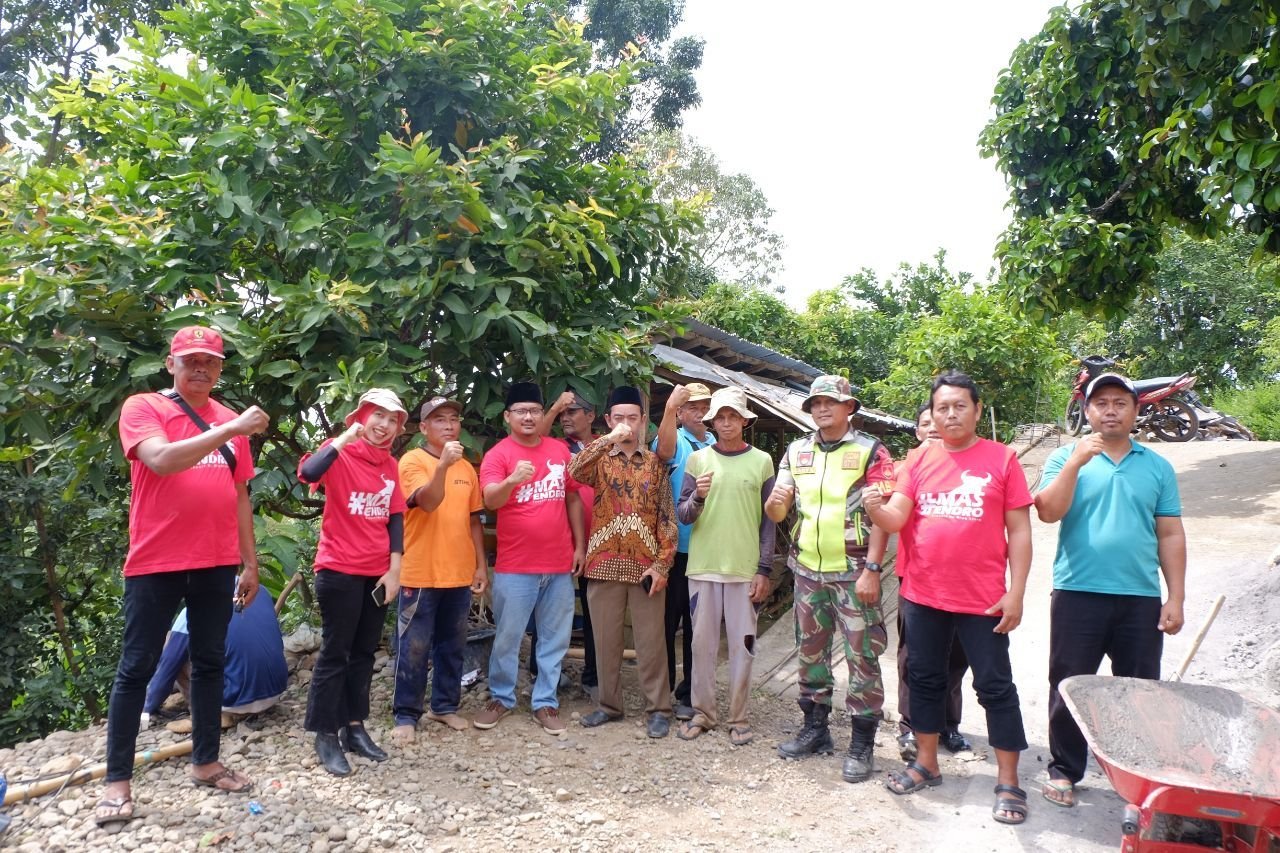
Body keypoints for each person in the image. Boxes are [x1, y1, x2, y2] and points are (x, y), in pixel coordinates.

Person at [98, 326, 268, 827]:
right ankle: (117, 781)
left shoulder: (226, 418)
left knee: (211, 661)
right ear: (170, 363)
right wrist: (233, 429)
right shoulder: (144, 407)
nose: (201, 368)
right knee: (136, 668)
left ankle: (206, 761)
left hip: (216, 561)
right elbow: (162, 459)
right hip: (157, 561)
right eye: (190, 359)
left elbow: (240, 495)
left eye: (211, 362)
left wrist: (250, 561)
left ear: (220, 369)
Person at [865, 371, 1034, 825]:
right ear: (932, 413)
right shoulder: (919, 459)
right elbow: (898, 514)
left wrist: (1016, 592)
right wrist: (876, 509)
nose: (951, 414)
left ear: (977, 410)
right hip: (923, 594)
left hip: (984, 600)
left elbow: (1019, 530)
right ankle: (926, 762)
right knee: (923, 678)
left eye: (960, 405)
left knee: (995, 685)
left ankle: (1009, 780)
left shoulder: (1003, 459)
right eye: (942, 407)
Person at [1033, 372, 1186, 808]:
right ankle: (1064, 770)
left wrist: (1174, 597)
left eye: (1121, 402)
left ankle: (1134, 774)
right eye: (1102, 403)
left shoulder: (1156, 467)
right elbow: (1047, 512)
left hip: (1139, 596)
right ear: (1087, 411)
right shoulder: (1065, 457)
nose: (1111, 410)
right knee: (1068, 683)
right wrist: (1077, 462)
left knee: (1139, 690)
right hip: (1077, 591)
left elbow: (1170, 535)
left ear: (1137, 411)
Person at [765, 375, 892, 784]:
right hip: (807, 573)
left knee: (862, 657)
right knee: (810, 653)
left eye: (831, 402)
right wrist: (775, 502)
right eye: (816, 402)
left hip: (856, 572)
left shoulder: (872, 450)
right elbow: (777, 512)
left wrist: (873, 569)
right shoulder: (797, 450)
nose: (822, 408)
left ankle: (861, 744)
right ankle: (815, 730)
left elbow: (883, 516)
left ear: (848, 407)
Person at [299, 388, 408, 777]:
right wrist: (343, 438)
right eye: (377, 415)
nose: (384, 425)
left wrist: (395, 569)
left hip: (377, 573)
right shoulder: (338, 451)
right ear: (360, 416)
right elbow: (309, 473)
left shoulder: (390, 465)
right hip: (339, 568)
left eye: (392, 419)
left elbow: (395, 517)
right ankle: (325, 733)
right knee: (335, 652)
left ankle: (355, 727)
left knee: (364, 652)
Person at [476, 382, 586, 733]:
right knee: (508, 637)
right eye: (521, 411)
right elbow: (491, 500)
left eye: (534, 411)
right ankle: (501, 697)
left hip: (557, 565)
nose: (528, 416)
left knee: (555, 638)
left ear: (544, 415)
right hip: (515, 566)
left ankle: (546, 701)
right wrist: (511, 480)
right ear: (508, 417)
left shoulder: (558, 450)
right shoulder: (498, 455)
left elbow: (571, 498)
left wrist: (580, 546)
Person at [570, 386, 678, 737]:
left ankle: (659, 708)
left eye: (633, 418)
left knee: (651, 642)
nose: (627, 425)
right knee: (604, 641)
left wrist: (662, 564)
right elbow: (573, 470)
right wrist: (608, 439)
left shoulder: (655, 464)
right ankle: (608, 705)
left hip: (646, 566)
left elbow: (667, 519)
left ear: (644, 421)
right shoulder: (599, 459)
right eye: (619, 418)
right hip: (602, 564)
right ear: (607, 420)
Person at [674, 387, 775, 745]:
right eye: (720, 417)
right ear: (712, 422)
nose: (727, 422)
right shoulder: (698, 461)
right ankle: (703, 713)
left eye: (733, 416)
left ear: (745, 422)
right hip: (702, 567)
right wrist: (698, 496)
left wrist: (764, 569)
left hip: (744, 570)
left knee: (742, 646)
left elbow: (769, 521)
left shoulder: (762, 462)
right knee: (700, 646)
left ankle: (739, 717)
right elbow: (683, 515)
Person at [392, 396, 489, 744]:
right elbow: (428, 502)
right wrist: (444, 466)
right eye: (439, 420)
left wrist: (480, 565)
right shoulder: (411, 461)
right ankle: (406, 714)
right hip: (419, 572)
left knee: (453, 644)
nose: (448, 426)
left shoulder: (466, 468)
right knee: (414, 646)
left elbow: (473, 518)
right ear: (423, 429)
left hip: (459, 571)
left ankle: (444, 706)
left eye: (453, 419)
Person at [895, 403, 971, 761]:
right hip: (913, 576)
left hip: (961, 581)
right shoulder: (903, 467)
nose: (933, 428)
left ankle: (948, 724)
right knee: (914, 656)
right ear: (917, 431)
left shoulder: (964, 465)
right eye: (924, 423)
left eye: (937, 422)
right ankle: (910, 725)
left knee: (956, 655)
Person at [653, 382, 715, 720]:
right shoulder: (677, 442)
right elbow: (662, 452)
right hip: (674, 550)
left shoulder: (717, 445)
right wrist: (667, 411)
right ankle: (663, 691)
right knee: (666, 623)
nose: (700, 412)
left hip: (707, 551)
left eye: (705, 405)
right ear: (680, 412)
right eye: (692, 406)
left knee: (698, 627)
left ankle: (690, 692)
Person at [143, 592, 288, 723]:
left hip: (233, 699)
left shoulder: (195, 607)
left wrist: (145, 709)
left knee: (173, 643)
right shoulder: (260, 591)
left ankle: (201, 711)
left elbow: (166, 671)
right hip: (274, 692)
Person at [538, 391, 599, 698]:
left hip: (598, 544)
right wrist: (555, 406)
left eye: (572, 412)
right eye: (562, 413)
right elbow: (535, 437)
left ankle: (593, 676)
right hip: (562, 543)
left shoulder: (605, 446)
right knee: (550, 614)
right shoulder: (555, 447)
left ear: (591, 416)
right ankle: (547, 674)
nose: (565, 417)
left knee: (594, 613)